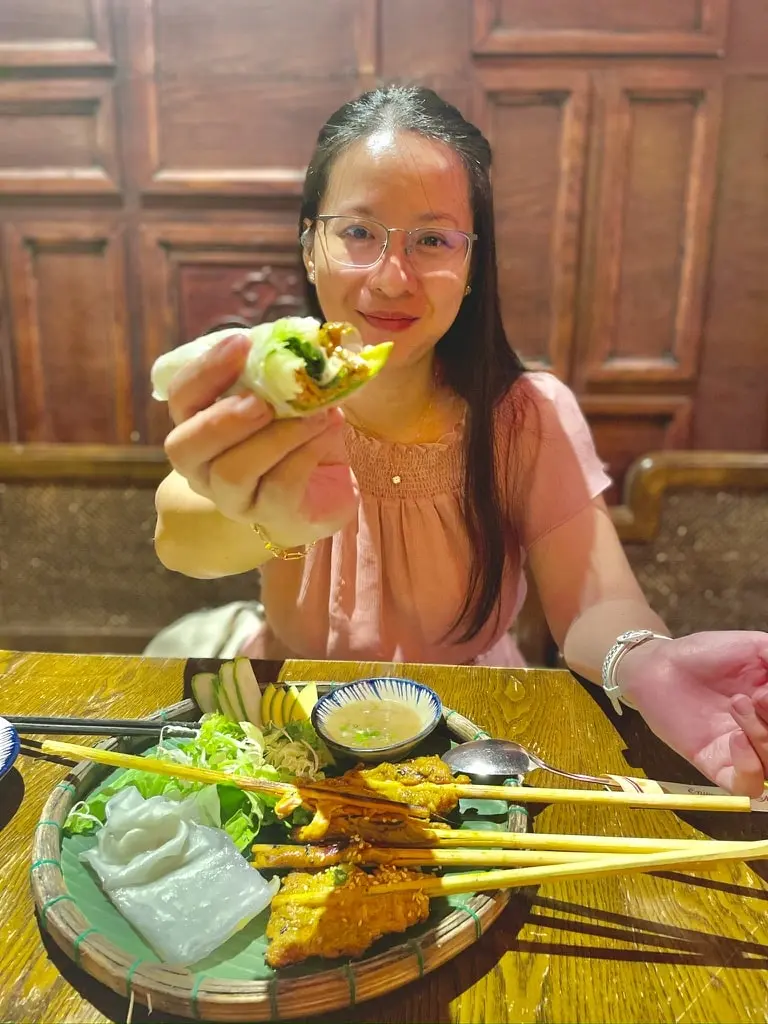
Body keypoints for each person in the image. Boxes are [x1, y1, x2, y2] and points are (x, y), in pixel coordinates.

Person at [154, 85, 768, 798]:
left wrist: (646, 662)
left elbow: (593, 603)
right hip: (292, 728)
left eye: (432, 240)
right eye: (358, 233)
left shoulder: (526, 415)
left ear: (472, 266)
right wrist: (268, 515)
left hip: (474, 735)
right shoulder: (268, 391)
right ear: (309, 247)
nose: (392, 278)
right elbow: (181, 538)